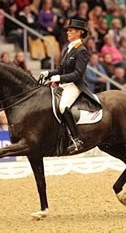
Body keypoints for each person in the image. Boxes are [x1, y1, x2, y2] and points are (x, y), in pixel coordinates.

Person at [40, 19, 94, 154]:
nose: (68, 32)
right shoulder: (68, 48)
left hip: (75, 85)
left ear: (79, 32)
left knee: (63, 106)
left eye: (71, 30)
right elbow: (61, 69)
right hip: (65, 84)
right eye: (68, 30)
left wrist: (59, 78)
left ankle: (77, 140)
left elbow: (78, 74)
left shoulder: (81, 50)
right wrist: (49, 73)